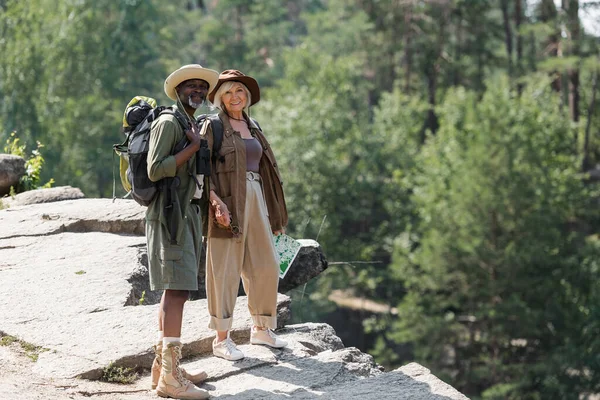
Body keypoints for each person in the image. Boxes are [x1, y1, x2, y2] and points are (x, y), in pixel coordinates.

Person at [202, 69, 288, 361]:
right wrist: (215, 203)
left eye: (239, 91)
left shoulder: (254, 126)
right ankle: (221, 339)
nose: (235, 97)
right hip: (227, 201)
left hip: (257, 198)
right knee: (224, 270)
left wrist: (275, 216)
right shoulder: (212, 127)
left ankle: (261, 328)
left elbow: (267, 173)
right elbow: (201, 172)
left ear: (247, 96)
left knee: (267, 264)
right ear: (219, 98)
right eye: (228, 92)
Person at [146, 64, 218, 400]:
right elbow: (155, 169)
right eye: (191, 86)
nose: (198, 92)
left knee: (174, 291)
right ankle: (171, 381)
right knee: (177, 292)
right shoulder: (167, 122)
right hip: (171, 215)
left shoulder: (188, 122)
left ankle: (165, 369)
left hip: (186, 212)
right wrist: (192, 147)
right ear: (178, 90)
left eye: (202, 88)